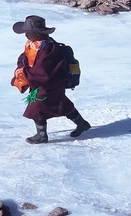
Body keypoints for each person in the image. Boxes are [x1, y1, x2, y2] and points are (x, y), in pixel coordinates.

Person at [11, 15, 91, 143]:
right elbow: (24, 58)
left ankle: (42, 135)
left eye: (28, 32)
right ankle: (82, 124)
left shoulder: (49, 48)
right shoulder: (33, 44)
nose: (26, 35)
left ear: (37, 33)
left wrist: (26, 72)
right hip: (42, 82)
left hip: (50, 84)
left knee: (36, 106)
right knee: (61, 105)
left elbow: (43, 70)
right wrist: (21, 68)